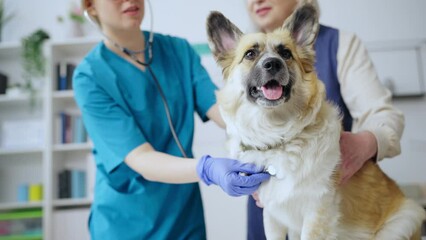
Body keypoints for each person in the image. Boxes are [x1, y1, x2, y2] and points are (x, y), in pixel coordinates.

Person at [73, 0, 270, 239]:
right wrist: (208, 168)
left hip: (184, 218)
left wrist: (269, 135)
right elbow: (141, 158)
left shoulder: (178, 51)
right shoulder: (91, 76)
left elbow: (222, 109)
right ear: (91, 6)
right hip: (126, 223)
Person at [245, 0, 405, 239]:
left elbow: (383, 114)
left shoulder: (339, 44)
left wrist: (364, 143)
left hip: (329, 204)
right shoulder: (241, 56)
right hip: (269, 205)